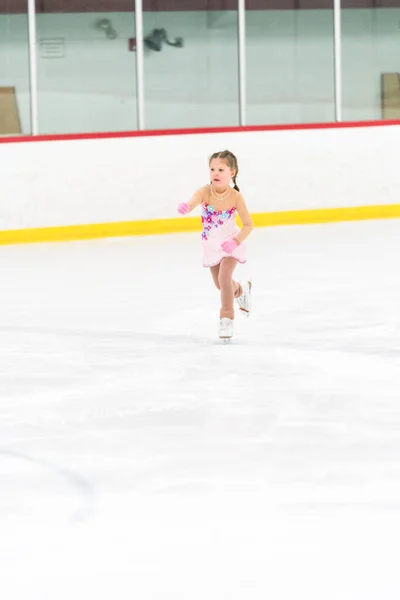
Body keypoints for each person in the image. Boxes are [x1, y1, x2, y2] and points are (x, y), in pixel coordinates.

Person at [177, 150, 253, 341]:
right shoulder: (205, 192)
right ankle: (241, 290)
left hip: (230, 244)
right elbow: (194, 200)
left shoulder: (236, 197)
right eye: (212, 169)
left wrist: (235, 242)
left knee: (224, 276)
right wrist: (187, 206)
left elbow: (248, 225)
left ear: (232, 172)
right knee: (221, 284)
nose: (215, 173)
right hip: (211, 245)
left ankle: (226, 318)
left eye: (221, 169)